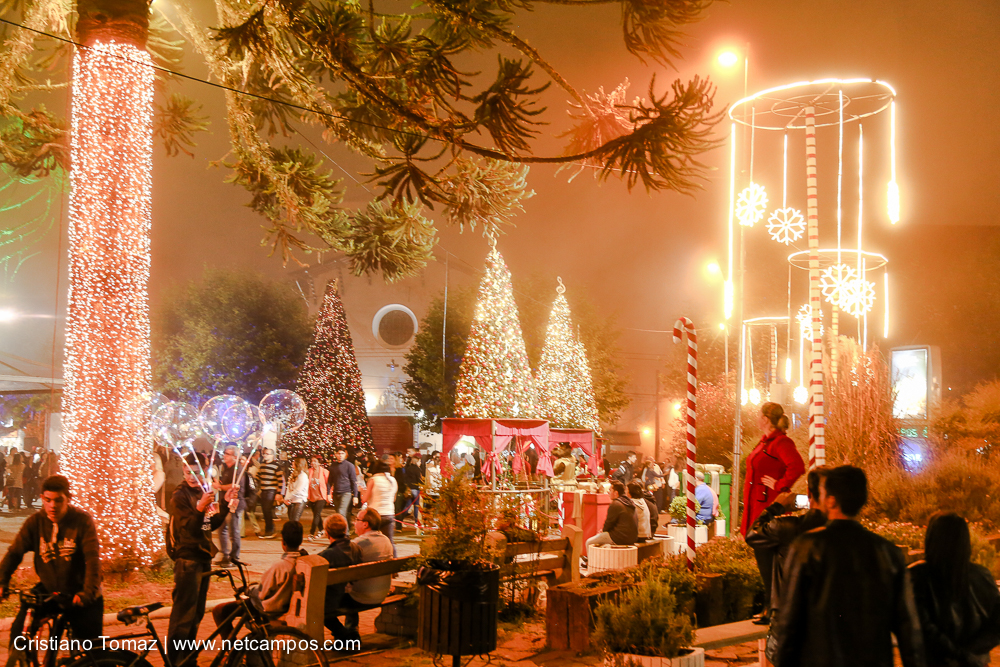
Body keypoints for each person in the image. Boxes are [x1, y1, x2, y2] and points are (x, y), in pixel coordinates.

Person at [771, 465, 925, 667]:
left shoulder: (806, 547)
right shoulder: (888, 552)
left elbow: (790, 621)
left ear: (832, 500)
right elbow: (907, 625)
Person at [0, 475, 103, 648]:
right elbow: (14, 553)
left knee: (88, 650)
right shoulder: (35, 523)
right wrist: (2, 582)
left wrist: (88, 592)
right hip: (50, 591)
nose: (52, 506)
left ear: (68, 499)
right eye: (47, 500)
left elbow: (92, 559)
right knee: (19, 633)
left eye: (58, 500)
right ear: (42, 498)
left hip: (80, 592)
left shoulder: (82, 521)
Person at [745, 467, 829, 640]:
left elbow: (752, 534)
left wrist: (775, 507)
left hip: (789, 617)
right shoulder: (847, 533)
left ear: (809, 493)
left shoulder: (786, 528)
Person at [909, 511, 1000, 667]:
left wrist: (955, 654)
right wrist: (968, 654)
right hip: (975, 663)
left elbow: (922, 627)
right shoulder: (982, 576)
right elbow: (997, 626)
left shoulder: (917, 576)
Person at [166, 455, 233, 664]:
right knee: (183, 616)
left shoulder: (203, 492)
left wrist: (226, 503)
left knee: (196, 614)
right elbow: (189, 528)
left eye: (196, 473)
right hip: (187, 560)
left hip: (203, 557)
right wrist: (199, 508)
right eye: (188, 473)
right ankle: (176, 661)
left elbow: (207, 526)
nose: (192, 477)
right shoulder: (179, 496)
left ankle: (188, 658)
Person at [741, 402, 804, 618]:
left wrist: (778, 486)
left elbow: (797, 466)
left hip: (766, 507)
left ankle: (772, 608)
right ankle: (770, 606)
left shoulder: (780, 442)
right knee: (764, 558)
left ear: (765, 418)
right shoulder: (766, 443)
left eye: (759, 415)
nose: (757, 418)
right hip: (757, 506)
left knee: (767, 558)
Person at [212, 520, 307, 638]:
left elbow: (262, 594)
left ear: (283, 542)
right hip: (288, 605)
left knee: (220, 610)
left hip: (270, 608)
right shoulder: (305, 561)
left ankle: (232, 650)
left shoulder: (281, 567)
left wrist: (249, 589)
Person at [325, 508, 394, 642]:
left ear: (365, 524)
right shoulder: (386, 540)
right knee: (351, 587)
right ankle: (351, 630)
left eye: (357, 519)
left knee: (323, 605)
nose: (354, 522)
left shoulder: (358, 544)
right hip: (381, 592)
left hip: (362, 596)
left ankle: (345, 636)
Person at [318, 513, 361, 625]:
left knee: (316, 608)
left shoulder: (328, 555)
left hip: (335, 599)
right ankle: (350, 633)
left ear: (327, 532)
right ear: (345, 529)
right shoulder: (355, 548)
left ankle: (344, 635)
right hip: (352, 594)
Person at [583, 481, 638, 565]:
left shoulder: (616, 504)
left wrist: (602, 532)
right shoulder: (629, 502)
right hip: (632, 537)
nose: (608, 492)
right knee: (602, 538)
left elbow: (608, 524)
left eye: (610, 490)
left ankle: (590, 563)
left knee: (589, 542)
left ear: (616, 493)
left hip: (619, 537)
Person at [214, 444, 248, 568]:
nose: (224, 456)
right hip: (225, 504)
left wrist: (220, 487)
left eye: (227, 454)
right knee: (221, 529)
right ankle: (225, 555)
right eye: (225, 453)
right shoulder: (227, 468)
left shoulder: (237, 470)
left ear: (235, 456)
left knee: (233, 532)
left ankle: (234, 557)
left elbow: (235, 486)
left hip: (235, 504)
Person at [362, 461, 398, 555]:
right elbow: (393, 499)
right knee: (390, 541)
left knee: (370, 540)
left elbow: (364, 499)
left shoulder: (373, 480)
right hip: (389, 513)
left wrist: (362, 491)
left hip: (375, 514)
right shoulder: (392, 480)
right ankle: (394, 560)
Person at [256, 447, 284, 539]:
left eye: (267, 454)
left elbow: (280, 481)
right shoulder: (262, 465)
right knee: (265, 511)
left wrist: (278, 493)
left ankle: (269, 530)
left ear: (272, 455)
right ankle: (269, 529)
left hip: (271, 490)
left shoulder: (276, 466)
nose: (265, 455)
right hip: (263, 490)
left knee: (267, 511)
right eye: (264, 454)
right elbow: (258, 476)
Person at [327, 446, 359, 520]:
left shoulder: (349, 466)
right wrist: (328, 493)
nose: (340, 455)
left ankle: (344, 531)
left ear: (345, 454)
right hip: (336, 493)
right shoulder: (333, 466)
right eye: (339, 453)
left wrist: (355, 496)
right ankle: (346, 528)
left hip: (346, 492)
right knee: (340, 513)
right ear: (336, 454)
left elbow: (353, 481)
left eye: (342, 453)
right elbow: (330, 481)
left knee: (341, 513)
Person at [307, 457, 330, 540]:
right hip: (312, 497)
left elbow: (329, 484)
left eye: (315, 461)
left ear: (319, 462)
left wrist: (329, 495)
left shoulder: (324, 472)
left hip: (321, 497)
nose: (313, 463)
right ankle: (322, 530)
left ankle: (311, 533)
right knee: (317, 515)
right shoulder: (309, 471)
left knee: (316, 515)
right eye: (312, 461)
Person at [284, 457, 309, 524]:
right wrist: (286, 498)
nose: (292, 464)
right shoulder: (293, 475)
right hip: (292, 500)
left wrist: (288, 498)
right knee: (291, 520)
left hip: (299, 500)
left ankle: (295, 533)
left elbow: (298, 490)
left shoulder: (303, 476)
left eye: (294, 463)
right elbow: (289, 487)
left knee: (295, 520)